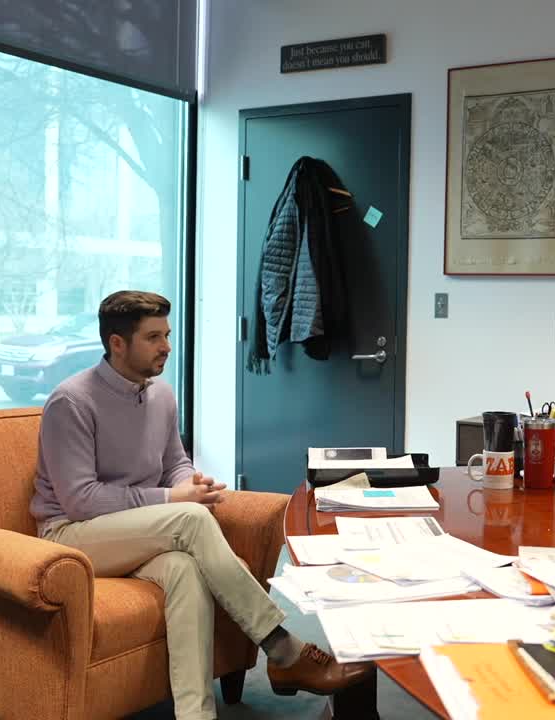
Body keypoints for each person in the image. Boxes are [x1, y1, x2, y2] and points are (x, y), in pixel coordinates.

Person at [30, 290, 371, 720]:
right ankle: (282, 647)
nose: (167, 346)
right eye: (153, 337)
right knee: (190, 519)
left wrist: (188, 484)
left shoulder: (161, 395)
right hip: (70, 538)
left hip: (130, 532)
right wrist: (174, 499)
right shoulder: (72, 402)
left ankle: (196, 715)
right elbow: (80, 500)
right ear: (117, 343)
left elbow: (174, 462)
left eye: (167, 335)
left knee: (185, 570)